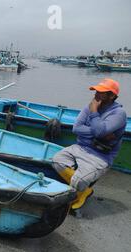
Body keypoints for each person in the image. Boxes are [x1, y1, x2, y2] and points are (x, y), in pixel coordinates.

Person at [52, 78, 127, 210]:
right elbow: (76, 128)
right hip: (80, 147)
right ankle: (85, 190)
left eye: (101, 92)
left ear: (112, 96)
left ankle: (80, 190)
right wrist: (100, 132)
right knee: (57, 161)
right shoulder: (90, 105)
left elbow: (98, 131)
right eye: (96, 90)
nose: (96, 94)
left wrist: (94, 113)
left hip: (100, 156)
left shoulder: (118, 113)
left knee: (78, 180)